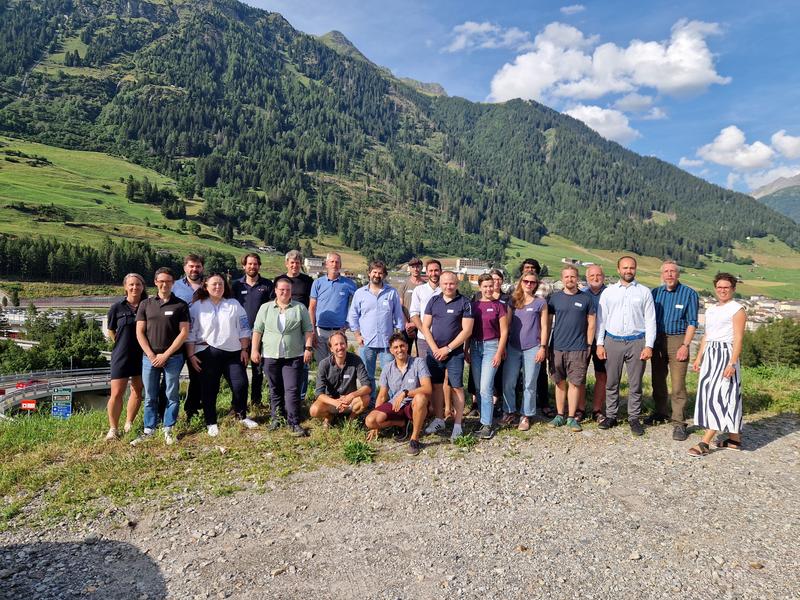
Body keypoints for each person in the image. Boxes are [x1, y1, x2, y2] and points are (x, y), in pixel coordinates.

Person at [186, 274, 256, 437]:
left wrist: (245, 349)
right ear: (206, 286)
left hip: (233, 353)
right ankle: (211, 421)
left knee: (241, 385)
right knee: (210, 389)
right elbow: (190, 332)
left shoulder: (234, 304)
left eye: (221, 284)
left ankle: (241, 415)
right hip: (208, 353)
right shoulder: (197, 307)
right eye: (214, 284)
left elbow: (244, 328)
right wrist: (190, 355)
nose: (218, 287)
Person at [596, 256, 656, 436]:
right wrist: (600, 343)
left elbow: (650, 320)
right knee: (612, 382)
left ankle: (634, 418)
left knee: (635, 383)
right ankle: (612, 415)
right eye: (625, 267)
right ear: (618, 269)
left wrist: (649, 345)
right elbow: (601, 320)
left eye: (631, 268)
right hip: (612, 341)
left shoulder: (644, 292)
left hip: (637, 342)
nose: (628, 271)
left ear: (635, 269)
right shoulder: (608, 293)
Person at [689, 273, 746, 457]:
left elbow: (738, 338)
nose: (722, 290)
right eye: (719, 287)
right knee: (717, 395)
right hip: (710, 355)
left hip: (726, 354)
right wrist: (699, 357)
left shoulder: (737, 309)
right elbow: (707, 334)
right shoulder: (711, 309)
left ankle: (705, 442)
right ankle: (734, 439)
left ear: (733, 289)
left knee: (720, 396)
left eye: (726, 287)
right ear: (715, 288)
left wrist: (732, 362)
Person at [132, 267, 190, 446]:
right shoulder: (146, 304)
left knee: (171, 394)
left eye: (168, 281)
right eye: (161, 281)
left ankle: (168, 428)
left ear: (173, 283)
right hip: (149, 358)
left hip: (173, 357)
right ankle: (149, 429)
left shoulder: (180, 305)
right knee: (150, 395)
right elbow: (139, 332)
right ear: (156, 282)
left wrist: (165, 355)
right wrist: (151, 354)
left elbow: (184, 333)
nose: (164, 284)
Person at [251, 276, 314, 437]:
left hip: (293, 355)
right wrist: (254, 350)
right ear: (276, 291)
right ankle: (276, 419)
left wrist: (308, 348)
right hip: (270, 354)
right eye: (281, 290)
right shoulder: (265, 308)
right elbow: (257, 330)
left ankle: (293, 422)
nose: (285, 292)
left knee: (292, 389)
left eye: (288, 290)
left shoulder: (299, 308)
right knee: (275, 389)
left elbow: (308, 329)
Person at [649, 260, 699, 441]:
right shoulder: (654, 293)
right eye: (666, 272)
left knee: (678, 383)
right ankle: (660, 412)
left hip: (678, 340)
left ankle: (679, 422)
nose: (669, 274)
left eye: (673, 271)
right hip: (657, 339)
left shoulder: (689, 294)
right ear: (662, 274)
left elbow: (693, 322)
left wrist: (685, 345)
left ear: (678, 274)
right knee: (657, 379)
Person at [421, 271, 474, 440]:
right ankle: (439, 419)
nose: (448, 286)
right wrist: (435, 348)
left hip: (455, 353)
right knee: (436, 386)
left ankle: (458, 424)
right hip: (434, 352)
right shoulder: (434, 301)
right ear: (440, 284)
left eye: (451, 283)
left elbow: (467, 331)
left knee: (456, 387)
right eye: (445, 284)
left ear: (456, 284)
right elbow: (425, 327)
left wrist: (448, 349)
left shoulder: (465, 303)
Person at [365, 333, 432, 456]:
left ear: (407, 346)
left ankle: (414, 439)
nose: (399, 350)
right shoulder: (387, 368)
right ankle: (402, 423)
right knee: (370, 421)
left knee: (421, 397)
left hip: (414, 404)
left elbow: (428, 388)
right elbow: (381, 395)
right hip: (396, 404)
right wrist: (376, 426)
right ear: (391, 350)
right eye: (395, 347)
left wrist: (406, 393)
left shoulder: (418, 362)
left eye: (402, 346)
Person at [348, 260, 405, 405]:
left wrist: (398, 337)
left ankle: (392, 402)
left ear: (384, 275)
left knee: (391, 374)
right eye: (374, 272)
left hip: (387, 343)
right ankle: (370, 402)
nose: (377, 275)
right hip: (366, 342)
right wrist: (357, 335)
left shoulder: (391, 292)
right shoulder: (360, 293)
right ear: (369, 273)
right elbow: (353, 316)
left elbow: (398, 315)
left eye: (380, 273)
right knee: (367, 375)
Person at [547, 266, 595, 433]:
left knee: (575, 383)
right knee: (559, 382)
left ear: (577, 278)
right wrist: (546, 344)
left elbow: (591, 324)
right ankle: (559, 415)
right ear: (562, 279)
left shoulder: (586, 299)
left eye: (572, 277)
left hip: (578, 348)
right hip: (557, 347)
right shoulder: (554, 299)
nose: (569, 280)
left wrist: (588, 345)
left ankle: (572, 417)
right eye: (566, 277)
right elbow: (547, 324)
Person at [502, 273, 548, 431]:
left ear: (536, 284)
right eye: (526, 281)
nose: (529, 284)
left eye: (532, 282)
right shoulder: (512, 301)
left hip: (533, 347)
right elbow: (506, 326)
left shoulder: (540, 302)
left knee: (529, 383)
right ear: (521, 282)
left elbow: (545, 327)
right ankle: (509, 411)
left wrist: (543, 347)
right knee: (509, 381)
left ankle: (526, 415)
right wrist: (503, 347)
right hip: (513, 347)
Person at [105, 273, 147, 440]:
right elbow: (111, 330)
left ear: (143, 287)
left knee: (137, 390)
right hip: (121, 355)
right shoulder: (117, 307)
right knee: (116, 393)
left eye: (138, 284)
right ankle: (113, 429)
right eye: (131, 285)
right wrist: (121, 343)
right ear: (125, 287)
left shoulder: (148, 305)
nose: (134, 287)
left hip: (142, 354)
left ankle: (129, 422)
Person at [467, 274, 508, 439]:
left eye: (491, 286)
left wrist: (499, 351)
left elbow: (504, 331)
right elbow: (467, 330)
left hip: (492, 347)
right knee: (478, 387)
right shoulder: (473, 305)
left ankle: (487, 425)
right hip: (475, 347)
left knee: (486, 387)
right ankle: (484, 419)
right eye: (485, 286)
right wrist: (466, 349)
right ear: (480, 288)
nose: (489, 289)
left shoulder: (500, 306)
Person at [232, 253, 274, 410]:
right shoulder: (236, 285)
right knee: (238, 372)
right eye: (249, 264)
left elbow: (272, 309)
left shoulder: (267, 285)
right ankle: (237, 403)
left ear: (259, 266)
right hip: (239, 336)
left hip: (262, 336)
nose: (252, 267)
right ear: (244, 266)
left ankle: (256, 401)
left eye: (255, 264)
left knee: (258, 371)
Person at [309, 330, 372, 428]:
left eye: (342, 343)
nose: (340, 347)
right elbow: (319, 394)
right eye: (336, 345)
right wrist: (335, 402)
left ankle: (351, 419)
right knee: (314, 410)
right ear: (331, 348)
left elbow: (367, 386)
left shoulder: (356, 360)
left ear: (346, 345)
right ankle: (329, 416)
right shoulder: (324, 364)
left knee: (366, 398)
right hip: (331, 402)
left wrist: (351, 395)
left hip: (350, 401)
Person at [275, 249, 315, 402]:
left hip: (301, 326)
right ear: (287, 263)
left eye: (297, 263)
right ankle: (285, 396)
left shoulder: (307, 281)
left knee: (303, 363)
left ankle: (301, 397)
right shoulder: (279, 280)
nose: (295, 265)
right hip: (283, 327)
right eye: (292, 263)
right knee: (283, 361)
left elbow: (312, 305)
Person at [171, 253, 205, 421]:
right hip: (176, 339)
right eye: (191, 266)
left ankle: (191, 410)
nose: (194, 269)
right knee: (171, 378)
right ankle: (166, 413)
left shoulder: (209, 285)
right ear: (185, 267)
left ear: (202, 268)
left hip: (198, 339)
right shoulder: (175, 286)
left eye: (198, 266)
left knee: (197, 377)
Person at [309, 252, 357, 364]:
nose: (334, 264)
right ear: (326, 264)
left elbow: (357, 306)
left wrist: (347, 324)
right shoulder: (317, 283)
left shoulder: (349, 284)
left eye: (337, 262)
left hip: (338, 332)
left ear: (340, 265)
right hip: (320, 331)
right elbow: (312, 307)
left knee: (338, 365)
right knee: (322, 366)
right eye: (332, 262)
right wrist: (312, 331)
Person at [582, 265, 607, 422]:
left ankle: (597, 410)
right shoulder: (581, 294)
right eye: (592, 276)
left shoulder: (611, 293)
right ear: (587, 278)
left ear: (603, 277)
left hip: (603, 341)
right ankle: (579, 409)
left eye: (598, 275)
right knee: (579, 376)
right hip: (582, 340)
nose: (595, 278)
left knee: (601, 375)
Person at [397, 257, 425, 353]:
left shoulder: (425, 286)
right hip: (406, 326)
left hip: (422, 325)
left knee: (421, 354)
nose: (415, 269)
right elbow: (400, 306)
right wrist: (407, 324)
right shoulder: (404, 285)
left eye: (418, 266)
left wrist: (416, 324)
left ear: (421, 268)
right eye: (413, 267)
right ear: (409, 268)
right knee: (404, 353)